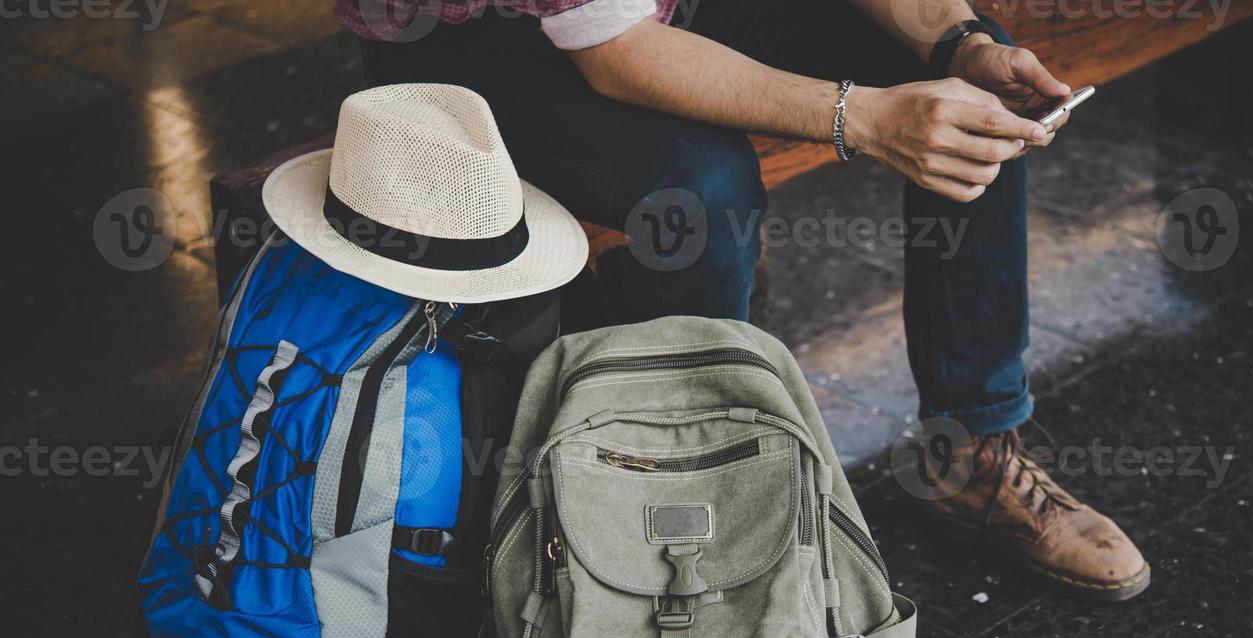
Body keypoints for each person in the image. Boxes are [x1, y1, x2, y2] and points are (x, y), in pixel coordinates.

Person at [337, 0, 1152, 601]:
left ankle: (970, 451)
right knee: (699, 193)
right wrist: (863, 118)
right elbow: (615, 53)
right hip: (465, 45)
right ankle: (667, 520)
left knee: (969, 84)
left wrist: (957, 42)